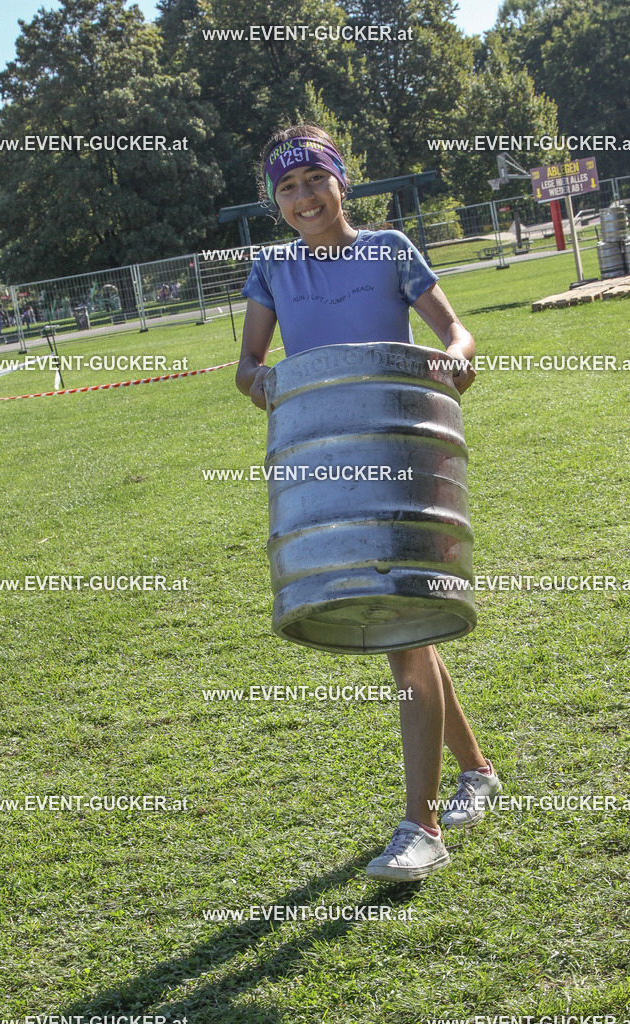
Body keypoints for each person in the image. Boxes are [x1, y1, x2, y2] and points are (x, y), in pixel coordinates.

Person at [236, 124, 502, 882]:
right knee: (407, 633)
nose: (302, 198)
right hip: (327, 467)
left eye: (313, 181)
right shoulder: (271, 269)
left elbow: (455, 330)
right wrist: (267, 389)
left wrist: (452, 363)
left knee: (403, 635)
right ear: (275, 201)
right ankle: (475, 773)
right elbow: (250, 365)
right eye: (286, 188)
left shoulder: (389, 249)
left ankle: (422, 826)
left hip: (401, 456)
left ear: (340, 182)